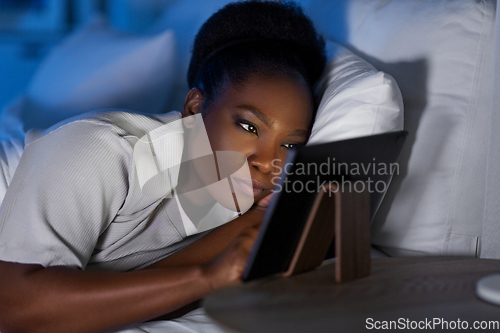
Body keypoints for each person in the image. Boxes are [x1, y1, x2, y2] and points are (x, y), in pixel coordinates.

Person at [0, 1, 326, 332]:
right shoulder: (102, 149)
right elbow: (12, 306)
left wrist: (261, 221)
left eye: (290, 145)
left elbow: (147, 279)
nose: (269, 164)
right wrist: (205, 279)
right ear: (195, 107)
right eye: (248, 126)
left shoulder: (242, 198)